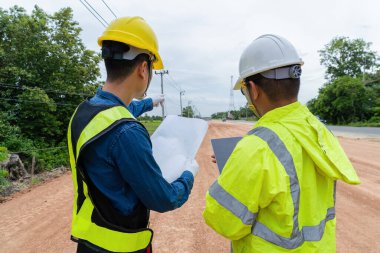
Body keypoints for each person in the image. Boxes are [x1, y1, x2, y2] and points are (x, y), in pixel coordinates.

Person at [203, 34, 360, 252]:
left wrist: (238, 171)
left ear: (253, 89)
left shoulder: (256, 148)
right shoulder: (318, 130)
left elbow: (223, 220)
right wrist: (244, 166)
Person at [67, 16, 199, 253]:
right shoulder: (127, 131)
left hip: (89, 241)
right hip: (122, 247)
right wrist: (188, 175)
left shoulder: (84, 112)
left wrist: (148, 103)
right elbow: (164, 198)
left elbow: (116, 112)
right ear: (142, 68)